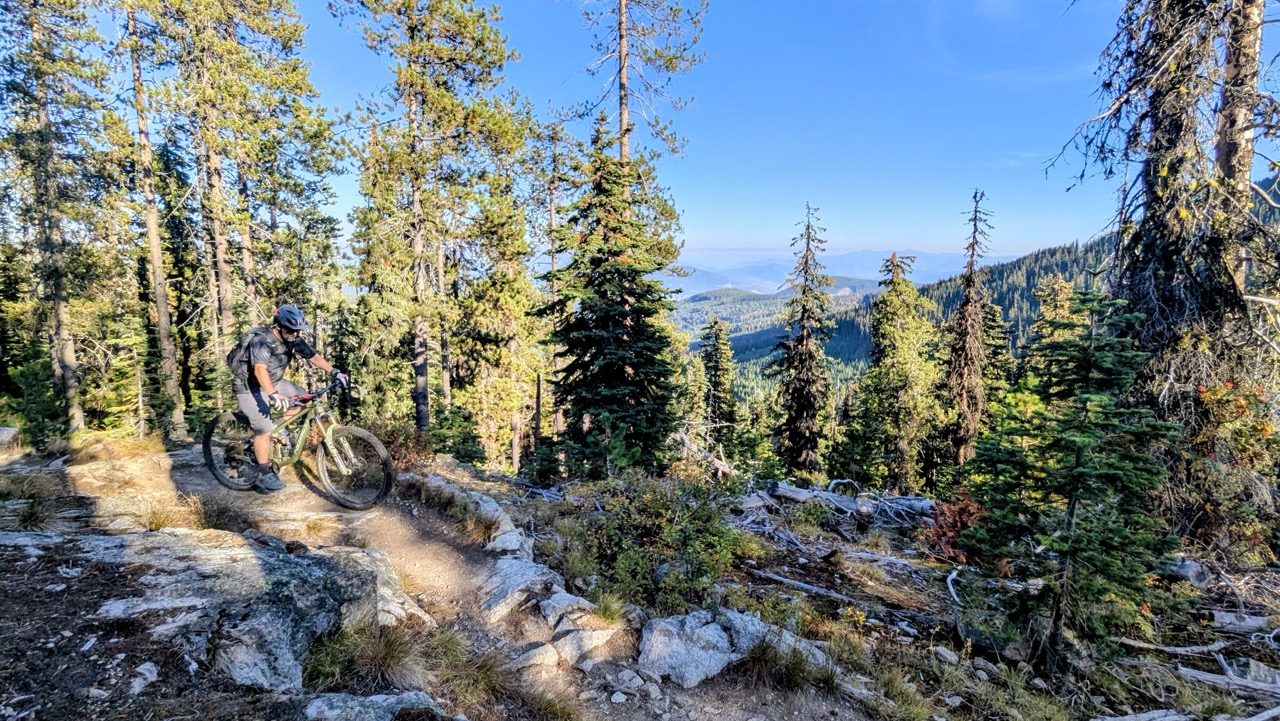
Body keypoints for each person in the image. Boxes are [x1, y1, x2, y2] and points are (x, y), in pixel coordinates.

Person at [227, 304, 347, 492]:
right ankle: (264, 473)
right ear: (278, 327)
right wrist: (273, 395)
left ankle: (277, 429)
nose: (295, 334)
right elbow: (260, 369)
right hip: (249, 387)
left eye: (298, 330)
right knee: (263, 429)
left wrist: (334, 371)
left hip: (273, 382)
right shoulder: (262, 341)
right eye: (291, 330)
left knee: (304, 399)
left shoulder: (293, 339)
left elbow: (313, 356)